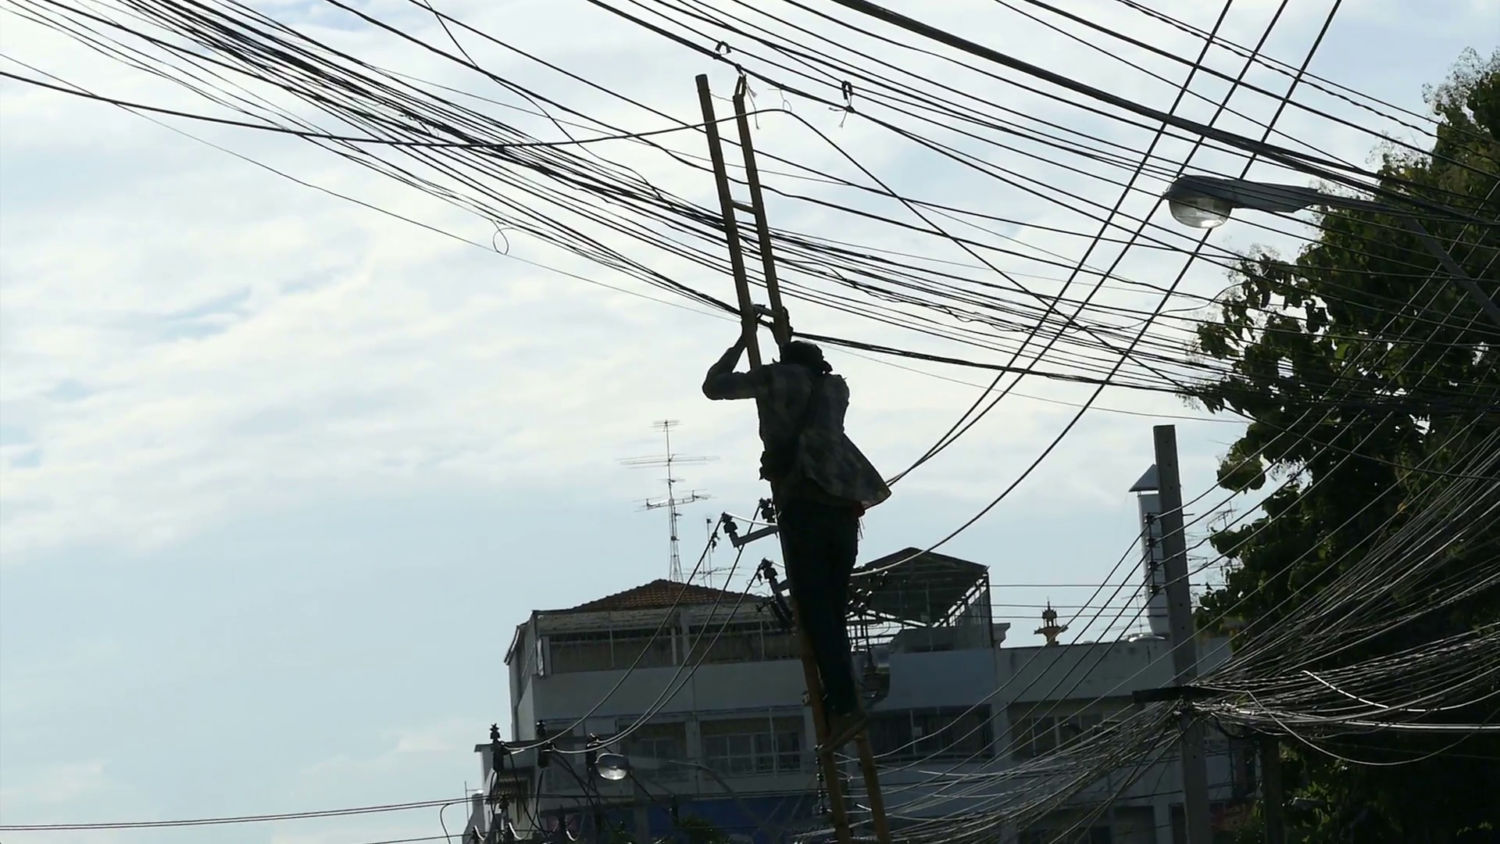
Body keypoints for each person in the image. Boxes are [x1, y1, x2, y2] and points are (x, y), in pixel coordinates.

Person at [702, 333, 891, 749]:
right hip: (844, 511)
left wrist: (740, 342)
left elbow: (714, 387)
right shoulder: (835, 387)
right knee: (833, 614)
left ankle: (844, 705)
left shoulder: (775, 378)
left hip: (804, 507)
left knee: (816, 615)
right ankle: (839, 695)